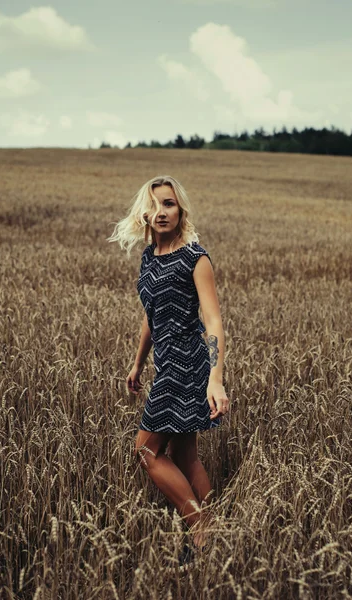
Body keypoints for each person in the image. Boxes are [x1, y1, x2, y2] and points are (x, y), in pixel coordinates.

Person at [107, 175, 229, 558]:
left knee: (146, 452)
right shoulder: (149, 257)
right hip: (165, 365)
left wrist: (216, 379)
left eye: (170, 204)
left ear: (181, 210)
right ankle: (221, 528)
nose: (162, 212)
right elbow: (151, 315)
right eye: (156, 204)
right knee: (184, 455)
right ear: (145, 212)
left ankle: (202, 524)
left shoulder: (195, 257)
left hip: (189, 365)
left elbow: (213, 322)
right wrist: (137, 363)